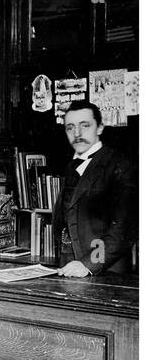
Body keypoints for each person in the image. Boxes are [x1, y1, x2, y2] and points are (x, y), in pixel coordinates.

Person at [53, 102, 136, 278]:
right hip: (70, 269)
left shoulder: (121, 165)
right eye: (70, 128)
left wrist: (87, 265)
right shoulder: (70, 166)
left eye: (85, 125)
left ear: (99, 128)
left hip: (107, 273)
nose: (77, 134)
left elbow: (123, 230)